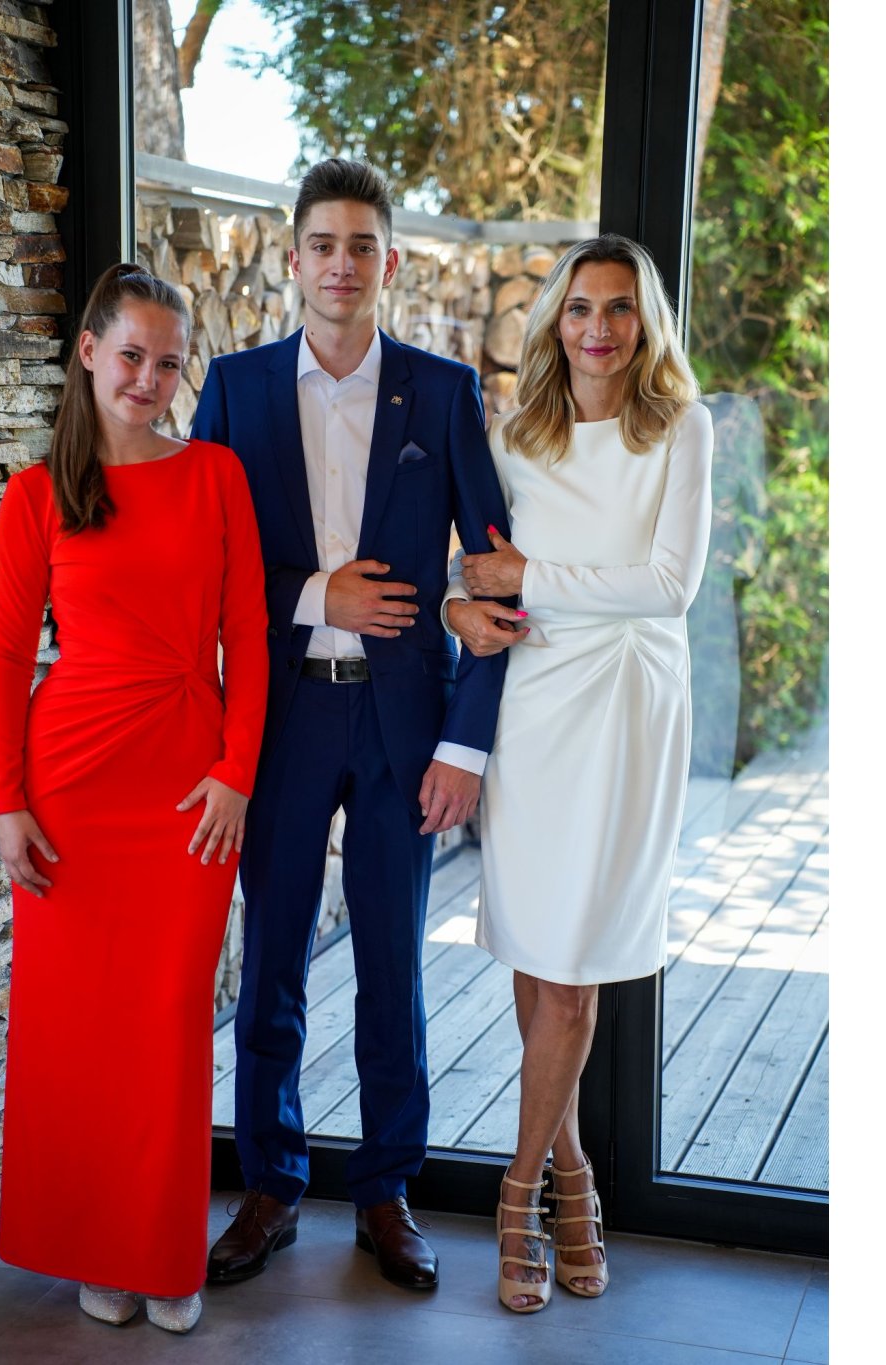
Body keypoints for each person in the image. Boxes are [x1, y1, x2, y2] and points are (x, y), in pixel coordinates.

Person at [190, 159, 516, 1291]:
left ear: (389, 261)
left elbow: (496, 580)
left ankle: (385, 1192)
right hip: (279, 720)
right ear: (293, 259)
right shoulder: (233, 390)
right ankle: (270, 1184)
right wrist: (313, 595)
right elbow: (198, 564)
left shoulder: (444, 392)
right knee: (273, 959)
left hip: (403, 725)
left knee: (391, 964)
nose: (341, 264)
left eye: (361, 245)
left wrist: (464, 745)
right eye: (323, 244)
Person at [0, 264, 269, 1333]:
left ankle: (162, 1254)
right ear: (90, 353)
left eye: (168, 362)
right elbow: (7, 656)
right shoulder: (36, 495)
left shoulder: (216, 476)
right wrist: (6, 801)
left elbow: (248, 636)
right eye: (133, 356)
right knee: (79, 1032)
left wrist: (236, 771)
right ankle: (98, 1249)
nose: (148, 379)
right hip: (70, 792)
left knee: (167, 1025)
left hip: (188, 792)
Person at [444, 234, 713, 1312]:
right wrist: (463, 604)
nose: (598, 328)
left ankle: (518, 1192)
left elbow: (669, 585)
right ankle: (570, 1169)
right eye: (579, 308)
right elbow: (472, 568)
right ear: (554, 321)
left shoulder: (679, 428)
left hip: (626, 711)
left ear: (645, 322)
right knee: (536, 947)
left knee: (573, 969)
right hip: (535, 709)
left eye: (619, 308)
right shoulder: (517, 436)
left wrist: (531, 575)